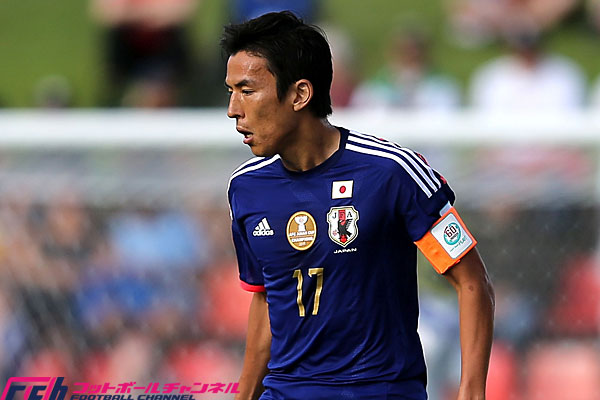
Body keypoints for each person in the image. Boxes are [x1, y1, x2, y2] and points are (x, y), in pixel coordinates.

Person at [222, 11, 495, 400]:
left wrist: (471, 391)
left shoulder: (391, 173)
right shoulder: (246, 188)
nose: (233, 109)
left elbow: (471, 282)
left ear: (299, 94)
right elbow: (267, 297)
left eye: (247, 91)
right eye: (230, 92)